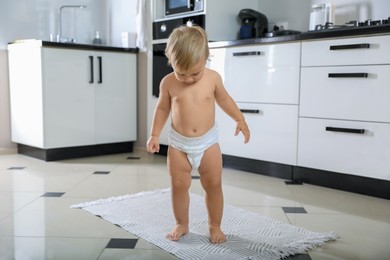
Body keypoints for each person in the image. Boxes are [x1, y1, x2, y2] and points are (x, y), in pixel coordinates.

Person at [146, 25, 250, 244]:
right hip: (178, 144)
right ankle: (182, 223)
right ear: (170, 61)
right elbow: (162, 109)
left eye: (195, 73)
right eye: (181, 73)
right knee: (178, 186)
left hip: (208, 143)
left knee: (213, 185)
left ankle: (214, 225)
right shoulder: (168, 83)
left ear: (206, 58)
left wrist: (239, 119)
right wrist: (155, 134)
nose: (189, 79)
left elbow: (224, 100)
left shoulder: (212, 78)